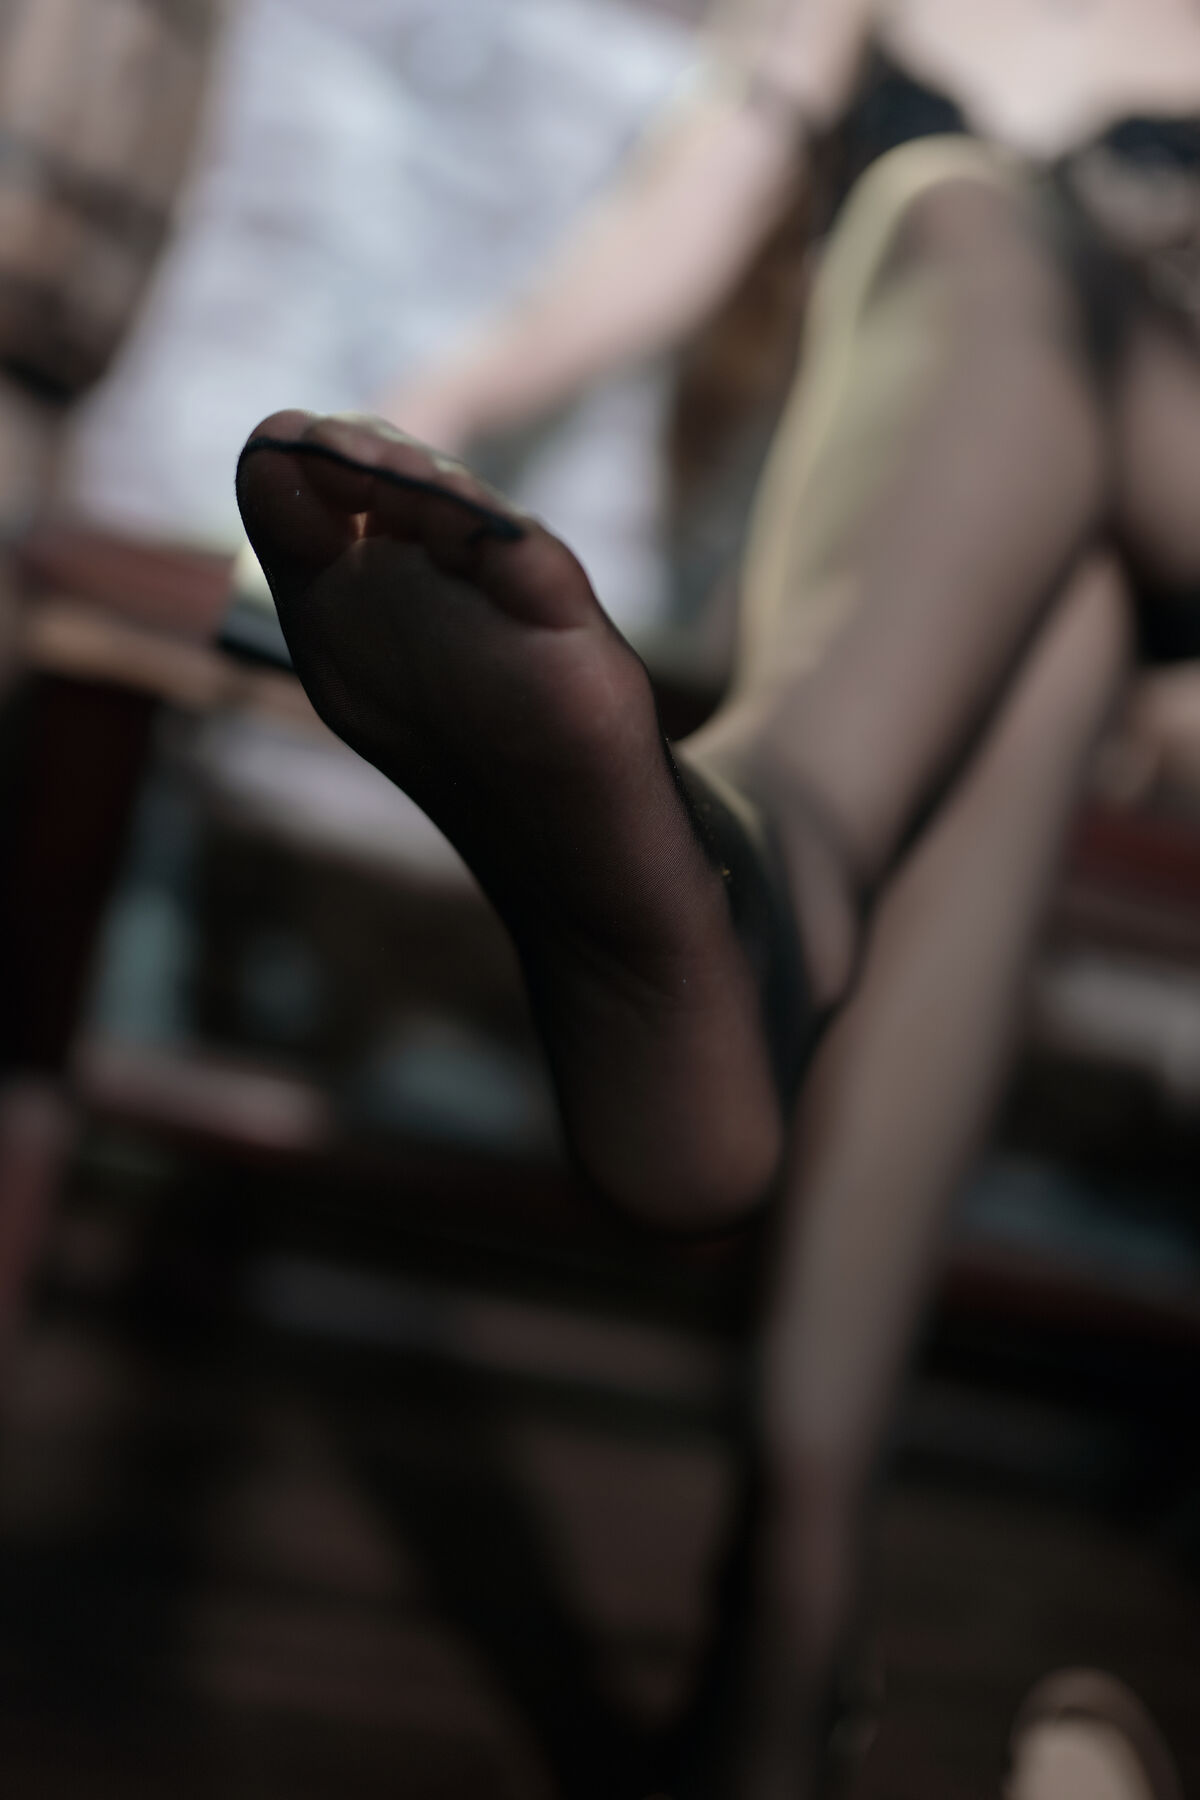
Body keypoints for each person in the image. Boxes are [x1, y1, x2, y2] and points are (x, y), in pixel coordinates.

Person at [235, 0, 1200, 1791]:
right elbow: (691, 220)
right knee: (1045, 633)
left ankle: (760, 876)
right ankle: (783, 1668)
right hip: (944, 553)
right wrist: (450, 404)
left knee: (967, 214)